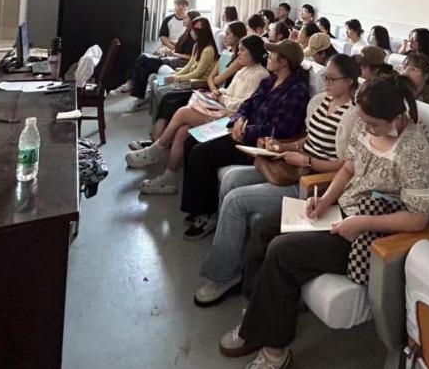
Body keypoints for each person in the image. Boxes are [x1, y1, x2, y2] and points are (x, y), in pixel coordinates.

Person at [219, 73, 429, 369]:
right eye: (364, 122)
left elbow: (418, 218)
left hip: (369, 233)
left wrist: (362, 222)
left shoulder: (414, 151)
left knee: (282, 252)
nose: (366, 128)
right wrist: (324, 200)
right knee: (263, 229)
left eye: (373, 124)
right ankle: (259, 315)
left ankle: (275, 354)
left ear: (397, 118)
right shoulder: (365, 124)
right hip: (342, 212)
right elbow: (348, 168)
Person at [193, 54, 360, 306]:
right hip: (293, 164)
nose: (326, 83)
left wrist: (307, 161)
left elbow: (345, 165)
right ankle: (229, 253)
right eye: (325, 77)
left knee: (236, 200)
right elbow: (309, 139)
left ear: (349, 81)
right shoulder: (323, 101)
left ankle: (224, 275)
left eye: (332, 79)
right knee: (232, 178)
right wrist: (282, 146)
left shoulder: (353, 116)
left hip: (310, 180)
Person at [180, 40, 310, 240]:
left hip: (261, 145)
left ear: (284, 62)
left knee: (202, 153)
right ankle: (196, 206)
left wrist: (245, 131)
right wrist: (238, 119)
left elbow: (280, 128)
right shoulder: (269, 82)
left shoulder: (296, 90)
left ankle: (208, 213)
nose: (268, 57)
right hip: (243, 133)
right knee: (191, 141)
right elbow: (247, 105)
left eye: (273, 55)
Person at [127, 35, 270, 194]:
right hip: (223, 108)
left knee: (182, 113)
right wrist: (219, 93)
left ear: (253, 53)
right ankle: (168, 177)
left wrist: (222, 98)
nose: (239, 54)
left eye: (243, 50)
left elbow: (245, 105)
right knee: (182, 132)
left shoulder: (259, 75)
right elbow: (229, 92)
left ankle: (155, 150)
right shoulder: (243, 70)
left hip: (232, 118)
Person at [145, 17, 219, 138]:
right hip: (189, 80)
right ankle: (156, 130)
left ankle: (157, 134)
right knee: (157, 84)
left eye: (193, 30)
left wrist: (176, 79)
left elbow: (198, 73)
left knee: (164, 93)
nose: (191, 33)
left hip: (198, 84)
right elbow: (189, 66)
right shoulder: (197, 46)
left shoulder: (208, 50)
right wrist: (175, 76)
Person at [118, 9, 200, 105]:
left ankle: (133, 86)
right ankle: (136, 91)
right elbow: (179, 46)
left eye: (186, 18)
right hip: (173, 58)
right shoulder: (187, 32)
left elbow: (191, 57)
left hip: (179, 61)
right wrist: (169, 49)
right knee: (144, 60)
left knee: (144, 59)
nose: (183, 19)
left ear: (192, 20)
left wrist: (174, 55)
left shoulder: (194, 37)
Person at [207, 20, 247, 92]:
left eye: (227, 34)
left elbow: (218, 80)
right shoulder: (227, 52)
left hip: (228, 92)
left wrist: (214, 83)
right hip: (217, 91)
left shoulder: (241, 57)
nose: (224, 37)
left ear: (237, 36)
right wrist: (214, 90)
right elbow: (210, 77)